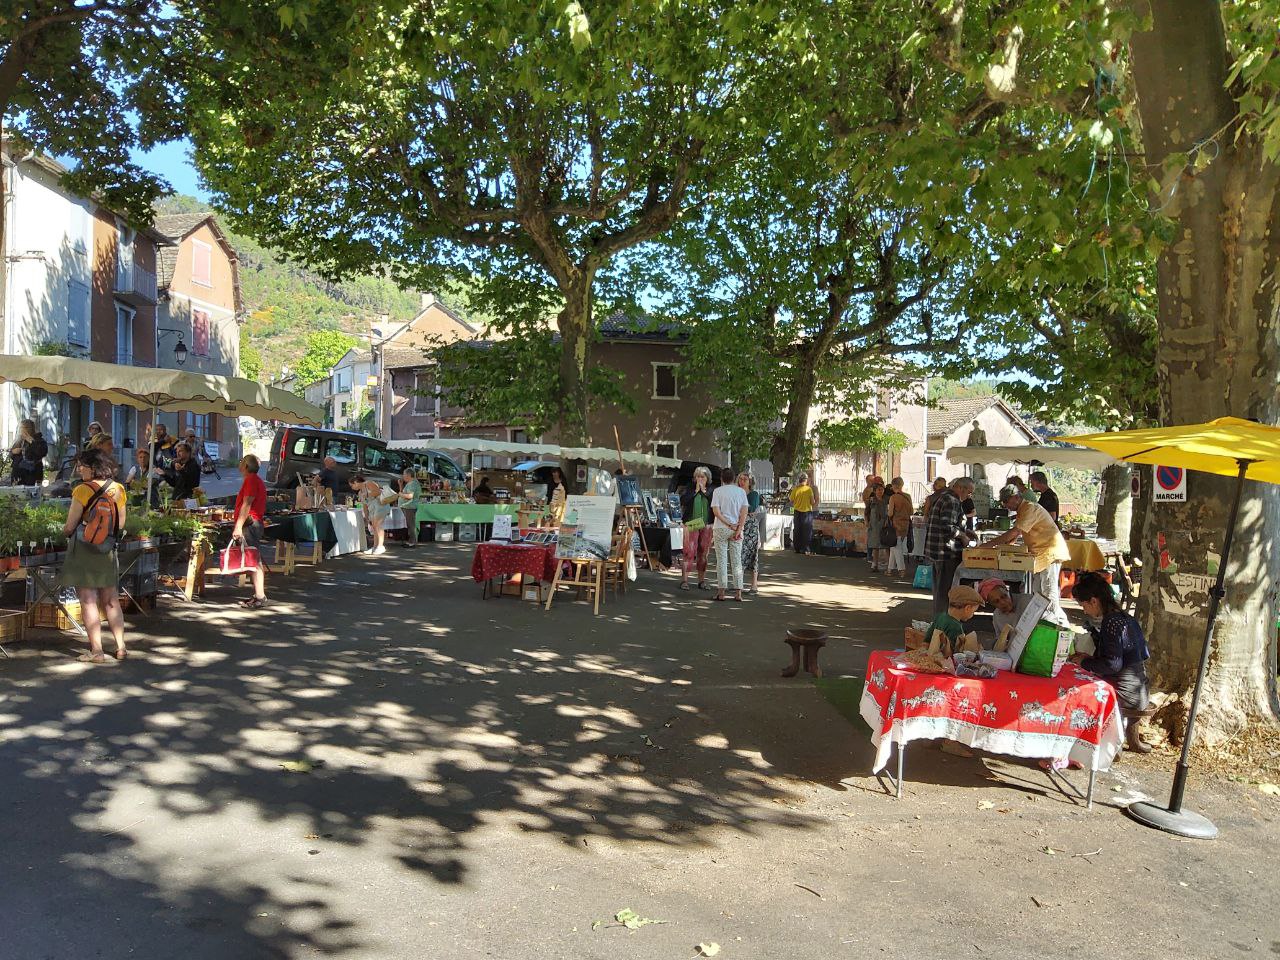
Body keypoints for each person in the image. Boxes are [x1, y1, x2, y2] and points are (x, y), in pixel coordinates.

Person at [58, 448, 127, 663]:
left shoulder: (82, 490)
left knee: (88, 600)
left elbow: (70, 526)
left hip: (85, 551)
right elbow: (121, 524)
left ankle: (97, 651)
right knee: (111, 600)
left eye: (82, 466)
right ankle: (121, 647)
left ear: (93, 467)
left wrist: (65, 531)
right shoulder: (118, 489)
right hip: (108, 550)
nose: (79, 469)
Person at [1070, 572, 1152, 751]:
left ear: (1093, 601)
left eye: (1083, 605)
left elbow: (1112, 665)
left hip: (1126, 693)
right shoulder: (1125, 618)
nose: (1084, 610)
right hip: (1141, 690)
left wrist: (1083, 663)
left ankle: (1099, 744)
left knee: (1076, 689)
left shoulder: (1111, 622)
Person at [987, 483, 1071, 619]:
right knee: (1038, 593)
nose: (1005, 505)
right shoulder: (1022, 510)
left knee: (1049, 593)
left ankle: (1057, 623)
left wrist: (989, 544)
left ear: (1015, 497)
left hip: (1050, 553)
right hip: (1040, 555)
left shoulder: (1029, 508)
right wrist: (1007, 545)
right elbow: (1018, 533)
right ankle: (1043, 621)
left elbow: (1015, 531)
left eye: (1006, 501)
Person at [923, 477, 976, 614]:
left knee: (941, 593)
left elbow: (948, 523)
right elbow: (947, 527)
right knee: (945, 594)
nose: (969, 496)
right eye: (969, 492)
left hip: (939, 552)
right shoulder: (951, 501)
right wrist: (963, 536)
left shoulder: (944, 497)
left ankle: (940, 623)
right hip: (945, 553)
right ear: (961, 488)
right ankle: (941, 626)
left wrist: (966, 531)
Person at [232, 454, 269, 609]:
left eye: (241, 462)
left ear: (246, 465)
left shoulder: (251, 480)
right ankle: (258, 595)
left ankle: (260, 596)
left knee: (253, 559)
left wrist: (238, 526)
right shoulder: (254, 480)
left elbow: (247, 504)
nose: (239, 464)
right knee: (253, 558)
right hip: (253, 522)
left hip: (250, 524)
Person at [710, 466, 748, 602]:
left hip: (720, 527)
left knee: (721, 560)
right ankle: (738, 593)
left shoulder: (717, 491)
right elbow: (744, 512)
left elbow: (716, 512)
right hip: (736, 527)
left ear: (722, 478)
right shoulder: (741, 492)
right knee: (736, 560)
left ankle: (721, 592)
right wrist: (738, 528)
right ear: (734, 479)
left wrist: (727, 523)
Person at [680, 466, 715, 591]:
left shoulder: (712, 490)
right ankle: (685, 580)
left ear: (707, 479)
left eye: (702, 477)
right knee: (688, 552)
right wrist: (695, 491)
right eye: (698, 477)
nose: (700, 479)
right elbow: (683, 501)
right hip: (691, 523)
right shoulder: (690, 488)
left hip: (707, 525)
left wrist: (704, 492)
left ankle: (701, 580)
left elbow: (715, 504)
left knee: (703, 553)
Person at [924, 585, 983, 658]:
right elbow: (956, 654)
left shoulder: (940, 616)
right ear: (967, 608)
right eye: (973, 611)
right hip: (944, 663)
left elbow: (927, 638)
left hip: (931, 656)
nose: (973, 614)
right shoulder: (956, 627)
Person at [977, 577, 1034, 648]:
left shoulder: (1028, 601)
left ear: (1007, 590)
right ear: (992, 604)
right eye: (996, 601)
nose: (1003, 602)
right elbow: (1001, 641)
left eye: (1004, 596)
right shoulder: (997, 616)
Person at [352, 472, 392, 555]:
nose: (352, 487)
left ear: (355, 482)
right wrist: (367, 517)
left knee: (378, 525)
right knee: (374, 526)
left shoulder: (369, 483)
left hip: (380, 505)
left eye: (352, 485)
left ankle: (380, 546)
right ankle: (375, 547)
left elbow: (378, 492)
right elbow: (364, 505)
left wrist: (366, 494)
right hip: (372, 509)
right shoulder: (360, 493)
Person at [740, 473, 764, 593]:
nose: (742, 481)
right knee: (739, 554)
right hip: (739, 526)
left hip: (751, 527)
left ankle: (754, 585)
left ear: (750, 482)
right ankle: (739, 584)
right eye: (740, 479)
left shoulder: (754, 494)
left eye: (745, 479)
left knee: (753, 555)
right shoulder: (737, 492)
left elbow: (751, 508)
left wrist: (742, 509)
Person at [886, 477, 913, 577]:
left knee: (896, 547)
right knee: (894, 546)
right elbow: (911, 512)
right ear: (902, 485)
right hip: (905, 524)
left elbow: (890, 513)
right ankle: (889, 569)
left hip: (896, 524)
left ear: (893, 486)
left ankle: (901, 569)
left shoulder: (893, 497)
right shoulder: (908, 496)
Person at [9, 418, 49, 486]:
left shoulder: (39, 440)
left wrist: (31, 441)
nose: (21, 430)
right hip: (18, 473)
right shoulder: (19, 440)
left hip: (33, 473)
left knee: (31, 493)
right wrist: (13, 452)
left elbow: (42, 452)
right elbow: (11, 455)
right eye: (20, 428)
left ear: (30, 428)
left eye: (23, 428)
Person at [789, 472, 818, 555]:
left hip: (797, 512)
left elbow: (791, 500)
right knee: (807, 531)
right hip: (807, 512)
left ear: (799, 480)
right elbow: (812, 502)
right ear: (806, 480)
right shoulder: (809, 489)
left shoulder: (795, 489)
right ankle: (805, 548)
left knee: (797, 530)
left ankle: (797, 548)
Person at [865, 480, 889, 572]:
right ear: (875, 491)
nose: (880, 491)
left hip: (884, 524)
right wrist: (867, 521)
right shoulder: (871, 501)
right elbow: (866, 512)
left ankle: (888, 566)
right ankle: (874, 564)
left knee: (886, 545)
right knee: (875, 545)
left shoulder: (887, 500)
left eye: (882, 489)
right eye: (878, 490)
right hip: (874, 525)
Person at [399, 467, 423, 546]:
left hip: (410, 506)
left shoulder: (412, 484)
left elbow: (409, 496)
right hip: (407, 506)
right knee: (410, 524)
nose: (403, 476)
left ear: (409, 475)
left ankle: (412, 542)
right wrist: (400, 485)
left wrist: (400, 494)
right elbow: (403, 493)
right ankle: (411, 541)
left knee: (411, 525)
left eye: (404, 474)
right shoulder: (410, 483)